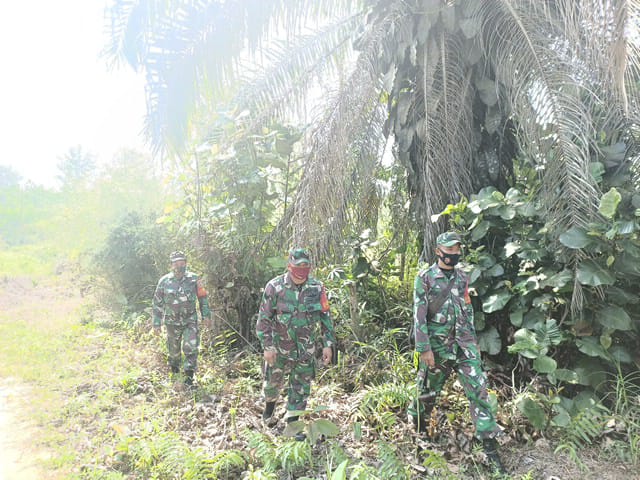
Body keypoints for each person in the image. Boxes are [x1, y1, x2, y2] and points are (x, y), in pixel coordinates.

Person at [410, 232, 506, 474]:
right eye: (449, 251)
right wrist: (424, 348)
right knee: (427, 393)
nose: (453, 255)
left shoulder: (463, 277)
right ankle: (419, 432)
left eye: (456, 251)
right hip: (438, 347)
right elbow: (419, 316)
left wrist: (472, 342)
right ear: (438, 251)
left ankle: (490, 446)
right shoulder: (425, 278)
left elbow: (467, 309)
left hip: (464, 346)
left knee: (479, 389)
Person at [256, 248, 335, 438]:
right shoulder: (274, 287)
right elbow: (263, 319)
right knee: (272, 385)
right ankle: (269, 410)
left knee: (300, 388)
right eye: (298, 265)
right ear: (289, 266)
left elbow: (325, 317)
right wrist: (267, 346)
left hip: (305, 349)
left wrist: (327, 344)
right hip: (279, 348)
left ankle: (293, 425)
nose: (302, 269)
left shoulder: (317, 288)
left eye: (306, 265)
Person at [152, 250, 211, 387]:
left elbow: (203, 298)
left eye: (182, 262)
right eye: (177, 263)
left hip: (190, 321)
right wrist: (156, 323)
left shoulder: (194, 279)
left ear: (186, 263)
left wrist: (206, 315)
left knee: (191, 347)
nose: (180, 265)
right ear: (172, 265)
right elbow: (157, 303)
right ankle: (175, 372)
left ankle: (189, 378)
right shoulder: (164, 281)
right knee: (174, 351)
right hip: (172, 323)